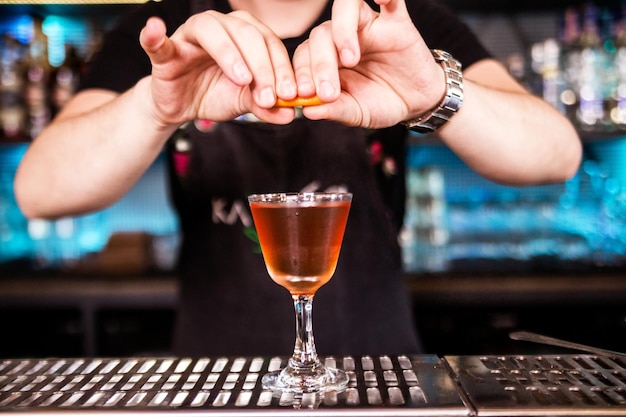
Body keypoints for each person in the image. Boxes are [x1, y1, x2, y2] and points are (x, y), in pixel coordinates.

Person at [14, 0, 582, 357]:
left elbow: (555, 153)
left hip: (377, 369)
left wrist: (434, 91)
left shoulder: (396, 21)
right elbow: (38, 189)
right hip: (215, 379)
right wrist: (154, 108)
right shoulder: (167, 31)